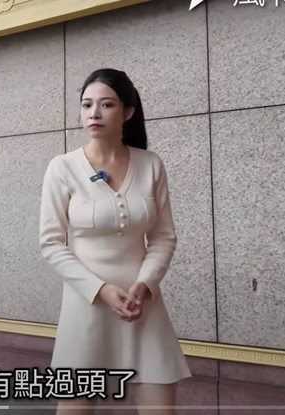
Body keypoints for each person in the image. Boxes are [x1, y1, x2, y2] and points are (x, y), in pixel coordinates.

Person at [39, 68, 190, 415]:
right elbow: (51, 243)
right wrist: (101, 290)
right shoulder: (62, 167)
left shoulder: (151, 164)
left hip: (142, 305)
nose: (94, 112)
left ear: (128, 111)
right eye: (87, 104)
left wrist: (146, 284)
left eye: (106, 104)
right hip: (86, 303)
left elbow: (163, 236)